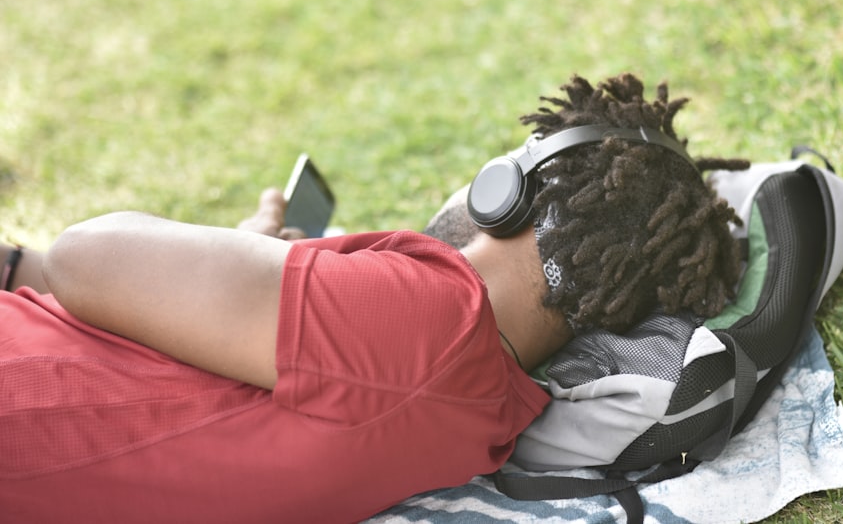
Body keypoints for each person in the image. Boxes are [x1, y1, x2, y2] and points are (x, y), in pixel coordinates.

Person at [0, 73, 747, 523]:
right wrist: (245, 263)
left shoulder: (431, 316)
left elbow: (83, 256)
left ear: (513, 190)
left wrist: (234, 255)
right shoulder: (486, 411)